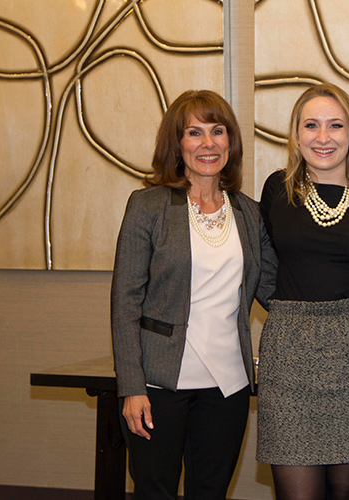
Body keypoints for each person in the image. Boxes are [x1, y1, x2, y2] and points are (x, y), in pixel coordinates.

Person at [110, 90, 277, 500]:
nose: (208, 144)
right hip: (159, 383)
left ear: (231, 141)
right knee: (155, 490)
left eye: (218, 131)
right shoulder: (148, 206)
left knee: (211, 491)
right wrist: (132, 387)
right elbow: (125, 303)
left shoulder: (249, 212)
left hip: (229, 384)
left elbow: (277, 290)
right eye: (194, 133)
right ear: (177, 144)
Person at [256, 83, 349, 500]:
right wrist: (287, 309)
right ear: (296, 134)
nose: (323, 138)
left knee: (348, 491)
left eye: (335, 126)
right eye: (311, 126)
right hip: (289, 352)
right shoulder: (276, 190)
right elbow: (262, 264)